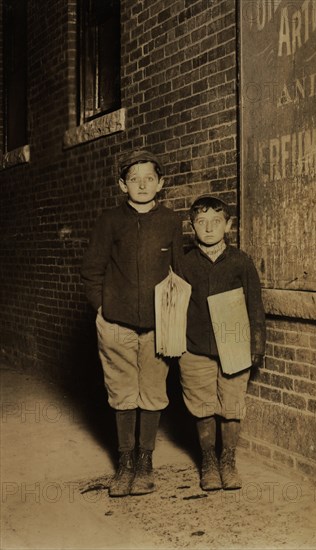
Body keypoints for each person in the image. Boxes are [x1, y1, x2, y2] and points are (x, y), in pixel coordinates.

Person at [81, 149, 183, 497]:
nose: (142, 184)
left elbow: (180, 275)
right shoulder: (109, 220)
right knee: (123, 395)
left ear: (161, 183)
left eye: (149, 178)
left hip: (158, 326)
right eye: (134, 179)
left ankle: (145, 463)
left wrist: (175, 319)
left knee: (153, 394)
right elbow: (92, 270)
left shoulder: (171, 221)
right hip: (117, 324)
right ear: (123, 184)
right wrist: (102, 310)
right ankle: (124, 464)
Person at [179, 195, 266, 491]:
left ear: (227, 224)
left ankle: (228, 461)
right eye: (201, 222)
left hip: (235, 346)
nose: (209, 228)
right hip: (195, 347)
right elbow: (172, 304)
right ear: (192, 226)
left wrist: (256, 346)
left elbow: (255, 305)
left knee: (231, 405)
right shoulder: (184, 263)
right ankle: (209, 462)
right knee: (202, 405)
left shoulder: (241, 261)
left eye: (216, 221)